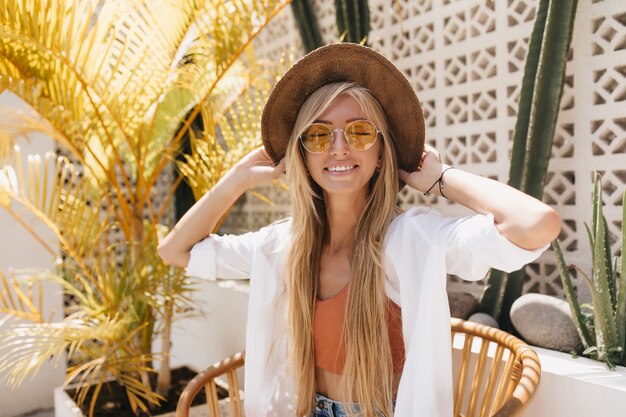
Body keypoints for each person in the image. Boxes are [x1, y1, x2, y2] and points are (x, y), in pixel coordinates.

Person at [158, 43, 560, 417]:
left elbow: (535, 225)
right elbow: (176, 251)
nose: (338, 148)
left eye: (360, 131)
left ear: (382, 149)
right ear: (302, 153)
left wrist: (440, 178)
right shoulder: (284, 244)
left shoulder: (409, 238)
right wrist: (236, 179)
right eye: (318, 134)